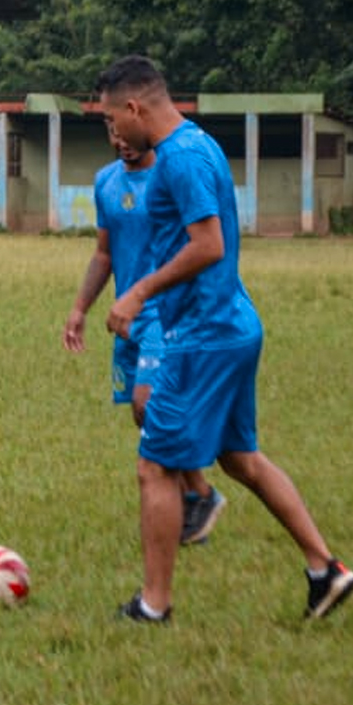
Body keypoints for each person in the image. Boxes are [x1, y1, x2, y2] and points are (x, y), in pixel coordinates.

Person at [98, 54, 353, 623]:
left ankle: (154, 605)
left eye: (115, 120)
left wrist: (138, 291)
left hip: (202, 333)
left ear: (136, 106)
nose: (115, 132)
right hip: (232, 326)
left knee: (156, 467)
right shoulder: (200, 145)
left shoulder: (179, 160)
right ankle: (326, 570)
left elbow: (209, 244)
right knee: (241, 460)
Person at [63, 123, 227, 544]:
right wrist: (81, 307)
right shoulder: (106, 181)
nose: (119, 140)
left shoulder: (171, 174)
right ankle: (193, 496)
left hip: (166, 310)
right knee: (143, 413)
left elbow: (204, 242)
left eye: (123, 130)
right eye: (109, 130)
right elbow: (104, 253)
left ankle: (201, 494)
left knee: (148, 401)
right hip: (127, 315)